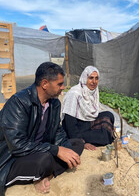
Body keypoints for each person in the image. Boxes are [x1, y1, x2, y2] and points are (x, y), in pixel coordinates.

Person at [0, 62, 84, 196]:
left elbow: (57, 132)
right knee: (43, 161)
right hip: (14, 158)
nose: (63, 87)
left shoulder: (54, 103)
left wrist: (66, 149)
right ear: (45, 84)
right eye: (60, 84)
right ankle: (41, 174)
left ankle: (45, 175)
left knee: (77, 144)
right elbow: (17, 146)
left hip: (40, 148)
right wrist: (56, 150)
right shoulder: (19, 103)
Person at [62, 66, 115, 150]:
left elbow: (91, 113)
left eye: (96, 78)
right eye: (91, 78)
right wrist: (81, 142)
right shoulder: (75, 93)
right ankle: (85, 137)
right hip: (75, 129)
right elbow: (69, 121)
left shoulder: (93, 91)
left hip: (86, 123)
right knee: (104, 136)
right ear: (84, 78)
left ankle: (102, 134)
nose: (94, 82)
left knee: (109, 115)